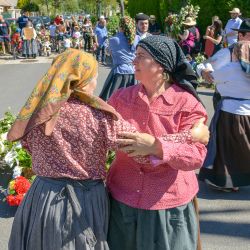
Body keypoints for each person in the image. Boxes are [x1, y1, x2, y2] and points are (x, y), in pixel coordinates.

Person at [7, 48, 208, 250]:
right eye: (94, 77)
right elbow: (142, 149)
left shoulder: (37, 111)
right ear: (83, 80)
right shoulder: (99, 116)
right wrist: (189, 136)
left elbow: (28, 146)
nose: (96, 83)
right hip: (83, 201)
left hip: (42, 197)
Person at [106, 35, 208, 250]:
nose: (134, 61)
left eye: (141, 56)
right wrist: (177, 140)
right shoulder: (120, 98)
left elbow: (195, 156)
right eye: (135, 55)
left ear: (161, 65)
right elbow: (109, 136)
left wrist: (156, 146)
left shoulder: (187, 103)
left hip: (168, 204)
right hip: (123, 199)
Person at [197, 19, 250, 192]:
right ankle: (231, 180)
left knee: (228, 149)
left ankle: (229, 180)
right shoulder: (228, 54)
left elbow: (212, 74)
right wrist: (204, 70)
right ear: (241, 35)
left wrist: (206, 72)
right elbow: (206, 67)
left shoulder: (231, 68)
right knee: (233, 148)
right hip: (234, 108)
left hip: (232, 111)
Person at [99, 16, 137, 101]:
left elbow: (108, 52)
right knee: (130, 100)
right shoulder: (136, 39)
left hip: (119, 72)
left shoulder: (113, 39)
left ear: (120, 26)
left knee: (113, 99)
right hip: (133, 73)